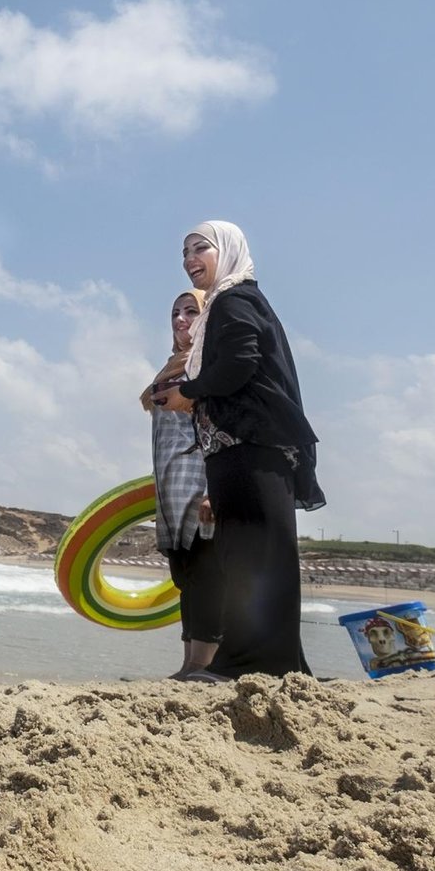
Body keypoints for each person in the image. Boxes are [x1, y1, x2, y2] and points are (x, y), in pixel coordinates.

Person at [156, 220, 324, 680]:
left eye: (200, 247)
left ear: (227, 249)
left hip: (253, 448)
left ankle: (253, 665)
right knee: (252, 558)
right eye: (184, 251)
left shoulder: (235, 300)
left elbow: (239, 364)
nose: (190, 258)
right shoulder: (228, 305)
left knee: (256, 560)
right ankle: (273, 666)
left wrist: (189, 392)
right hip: (240, 453)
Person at [142, 290, 223, 679]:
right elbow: (148, 401)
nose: (180, 319)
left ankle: (202, 665)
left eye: (192, 311)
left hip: (198, 481)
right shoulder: (173, 366)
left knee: (205, 575)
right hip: (171, 485)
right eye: (175, 312)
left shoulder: (207, 367)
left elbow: (215, 428)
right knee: (185, 577)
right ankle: (189, 663)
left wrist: (214, 490)